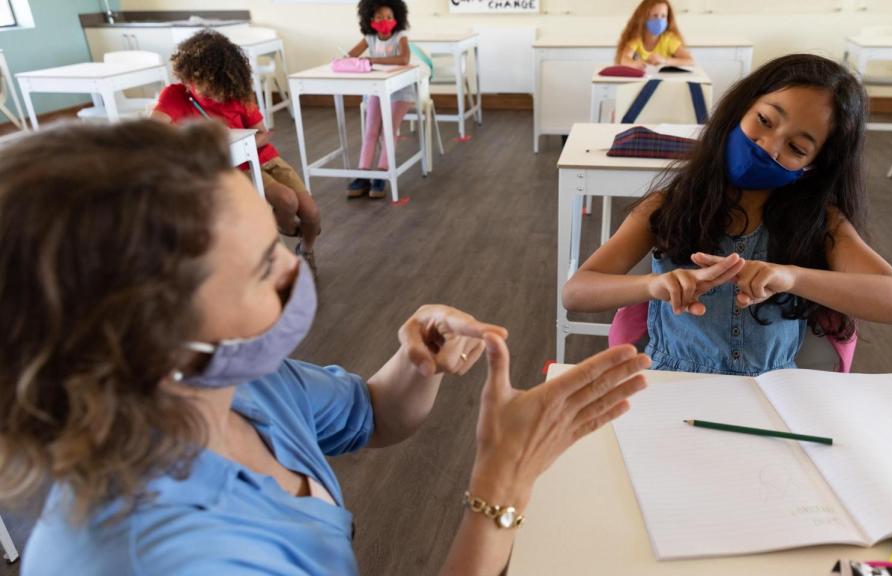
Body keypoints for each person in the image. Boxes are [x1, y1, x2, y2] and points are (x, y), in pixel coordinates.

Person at [0, 120, 650, 575]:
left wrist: (417, 361)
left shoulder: (238, 382)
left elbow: (370, 413)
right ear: (147, 337)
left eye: (281, 244)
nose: (296, 270)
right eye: (265, 268)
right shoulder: (156, 554)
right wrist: (499, 489)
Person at [563, 54, 892, 376]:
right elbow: (577, 292)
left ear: (814, 166)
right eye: (764, 120)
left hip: (773, 393)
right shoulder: (666, 206)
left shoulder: (820, 223)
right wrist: (652, 286)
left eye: (797, 148)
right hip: (672, 385)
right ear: (740, 109)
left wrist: (791, 277)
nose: (768, 146)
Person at [150, 30, 322, 276]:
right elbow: (151, 130)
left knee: (312, 214)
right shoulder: (177, 95)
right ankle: (275, 235)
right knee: (286, 200)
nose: (205, 90)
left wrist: (242, 142)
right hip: (234, 166)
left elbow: (263, 134)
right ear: (188, 74)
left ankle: (304, 248)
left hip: (263, 156)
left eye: (213, 86)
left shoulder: (239, 94)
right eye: (197, 83)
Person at [344, 0, 415, 199]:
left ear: (396, 18)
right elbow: (350, 56)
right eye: (379, 17)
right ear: (370, 19)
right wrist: (345, 59)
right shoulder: (369, 38)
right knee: (371, 131)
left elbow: (403, 59)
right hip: (376, 90)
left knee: (388, 131)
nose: (385, 21)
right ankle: (364, 173)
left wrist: (371, 60)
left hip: (400, 92)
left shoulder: (400, 37)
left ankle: (382, 173)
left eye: (389, 17)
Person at [615, 0, 694, 71]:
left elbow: (689, 60)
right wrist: (634, 64)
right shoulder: (637, 39)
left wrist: (664, 60)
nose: (659, 21)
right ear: (643, 18)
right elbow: (624, 59)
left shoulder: (669, 40)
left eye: (663, 16)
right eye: (655, 16)